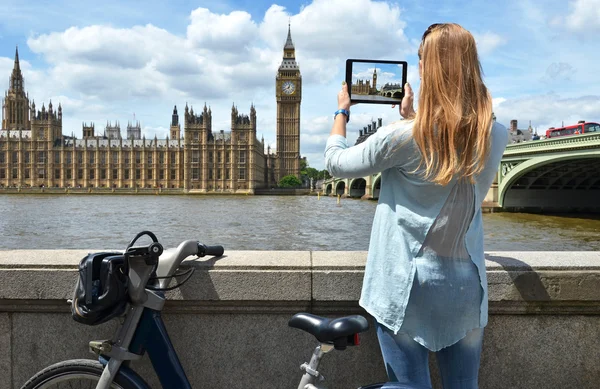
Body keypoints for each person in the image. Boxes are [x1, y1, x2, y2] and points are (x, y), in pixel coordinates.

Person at [324, 23, 508, 389]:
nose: (418, 67)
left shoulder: (401, 137)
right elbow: (446, 159)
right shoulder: (496, 133)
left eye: (422, 60)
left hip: (406, 289)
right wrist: (411, 120)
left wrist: (342, 112)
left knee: (409, 386)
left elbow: (335, 162)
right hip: (465, 289)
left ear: (431, 69)